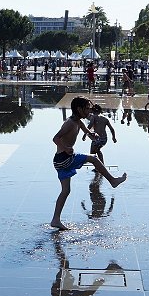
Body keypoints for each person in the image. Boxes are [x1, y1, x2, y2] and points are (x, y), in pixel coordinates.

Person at [50, 96, 127, 230]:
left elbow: (88, 132)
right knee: (93, 158)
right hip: (64, 158)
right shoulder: (69, 123)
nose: (89, 111)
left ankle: (55, 219)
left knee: (66, 191)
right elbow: (55, 138)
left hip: (59, 161)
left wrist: (93, 135)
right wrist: (66, 148)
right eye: (87, 108)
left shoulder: (78, 122)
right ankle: (113, 181)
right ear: (79, 109)